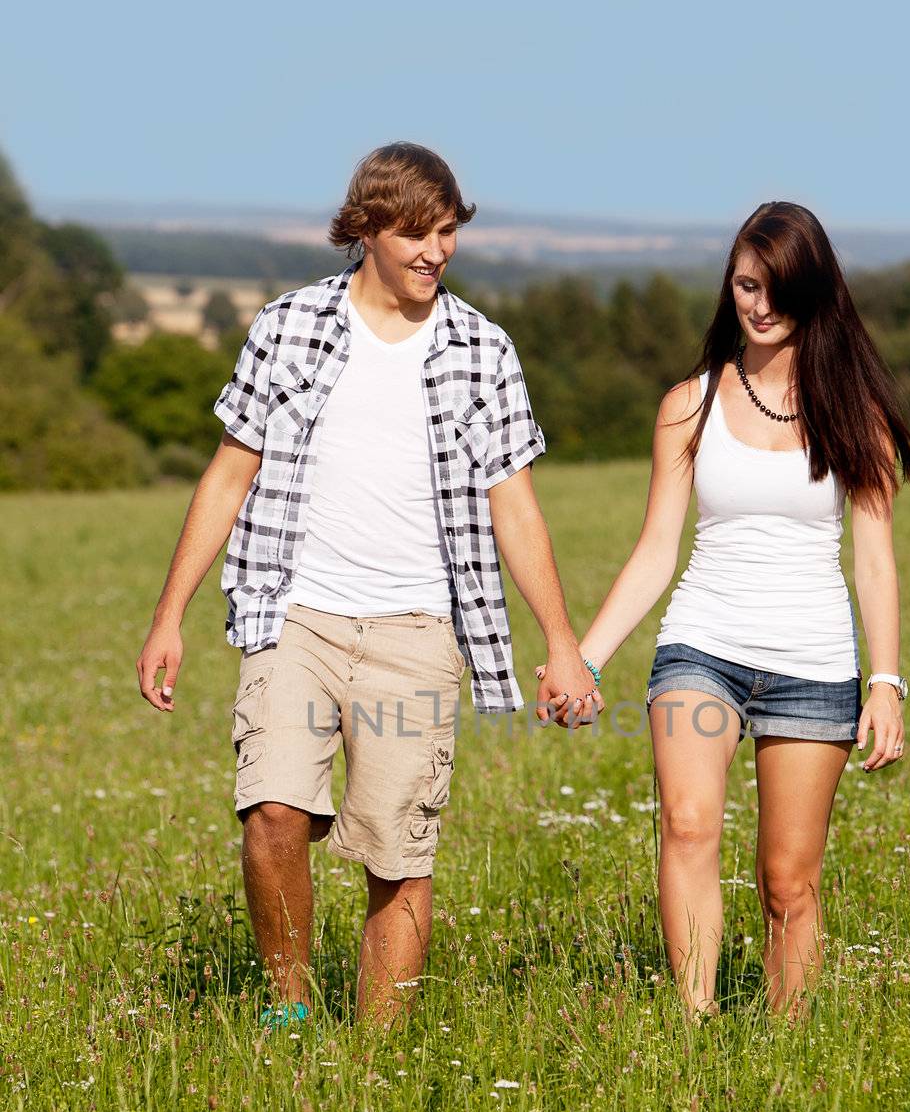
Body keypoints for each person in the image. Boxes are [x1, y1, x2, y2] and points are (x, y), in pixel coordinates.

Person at [136, 142, 600, 1032]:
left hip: (420, 628)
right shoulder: (289, 326)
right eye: (417, 233)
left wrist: (563, 644)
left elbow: (515, 507)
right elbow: (229, 474)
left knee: (397, 850)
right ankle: (288, 1015)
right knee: (272, 811)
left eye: (449, 232)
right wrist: (170, 617)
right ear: (367, 230)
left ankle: (376, 1063)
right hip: (295, 613)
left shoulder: (482, 350)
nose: (436, 251)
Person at [571, 202, 910, 1021]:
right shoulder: (686, 406)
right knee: (689, 827)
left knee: (787, 883)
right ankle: (693, 1030)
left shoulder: (855, 416)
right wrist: (583, 658)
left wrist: (884, 682)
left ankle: (787, 1052)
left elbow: (872, 559)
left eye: (776, 289)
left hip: (814, 668)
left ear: (813, 292)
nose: (758, 305)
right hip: (702, 646)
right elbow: (656, 550)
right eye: (744, 284)